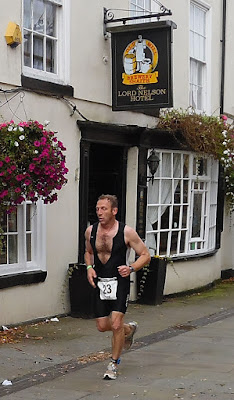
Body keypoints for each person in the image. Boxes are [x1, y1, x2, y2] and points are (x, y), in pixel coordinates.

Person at [85, 194, 151, 380]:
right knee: (102, 326)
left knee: (115, 324)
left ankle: (113, 364)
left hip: (120, 282)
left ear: (114, 211)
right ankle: (129, 330)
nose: (99, 212)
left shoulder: (127, 232)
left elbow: (145, 255)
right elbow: (88, 252)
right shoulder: (91, 231)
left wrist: (131, 268)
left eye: (104, 209)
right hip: (100, 282)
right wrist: (89, 268)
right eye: (97, 209)